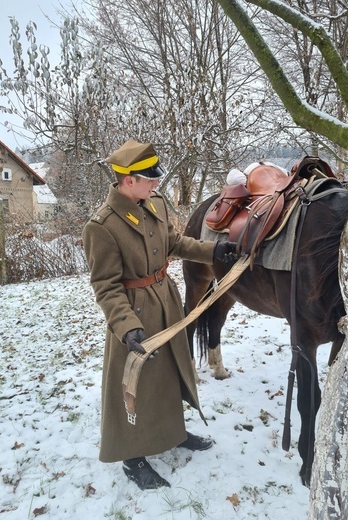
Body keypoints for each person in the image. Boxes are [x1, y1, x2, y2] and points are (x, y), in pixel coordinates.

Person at [82, 138, 237, 490]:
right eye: (149, 178)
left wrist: (215, 250)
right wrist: (126, 326)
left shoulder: (155, 203)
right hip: (133, 315)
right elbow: (105, 286)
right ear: (128, 180)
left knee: (170, 372)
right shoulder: (101, 226)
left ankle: (174, 431)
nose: (157, 183)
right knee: (133, 384)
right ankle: (132, 456)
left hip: (166, 300)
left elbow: (176, 244)